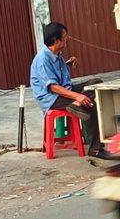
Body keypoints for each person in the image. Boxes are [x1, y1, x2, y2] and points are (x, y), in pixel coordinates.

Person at [30, 22, 103, 157]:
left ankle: (76, 106)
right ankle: (94, 148)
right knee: (90, 104)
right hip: (52, 98)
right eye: (64, 37)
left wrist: (67, 63)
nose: (67, 39)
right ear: (56, 40)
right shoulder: (42, 59)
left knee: (96, 83)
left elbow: (56, 73)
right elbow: (53, 87)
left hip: (64, 90)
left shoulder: (56, 54)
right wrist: (77, 96)